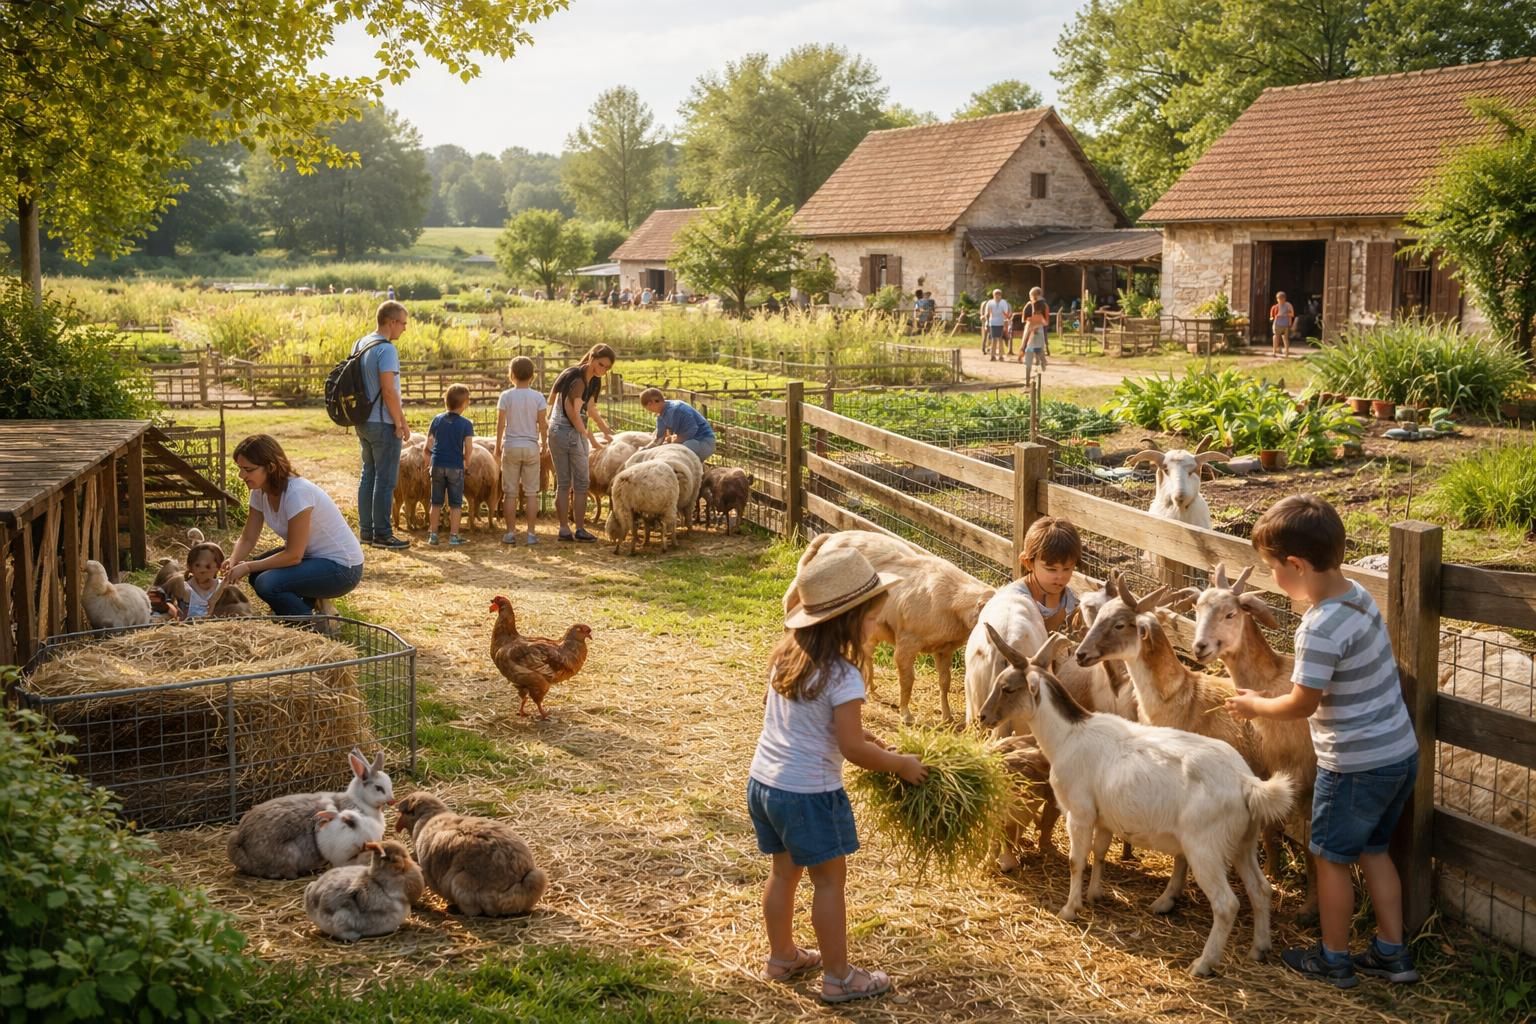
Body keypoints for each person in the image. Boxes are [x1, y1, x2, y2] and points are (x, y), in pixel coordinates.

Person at [1226, 495, 1421, 990]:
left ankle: (1334, 958)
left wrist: (1254, 706)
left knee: (1330, 859)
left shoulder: (1317, 628)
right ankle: (1391, 954)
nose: (1272, 579)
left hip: (1353, 764)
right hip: (1398, 754)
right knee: (1375, 850)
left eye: (1273, 569)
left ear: (1295, 565)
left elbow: (1300, 703)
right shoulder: (1357, 595)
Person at [748, 546, 928, 1004]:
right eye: (871, 618)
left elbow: (811, 724)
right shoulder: (844, 675)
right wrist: (901, 765)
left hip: (767, 784)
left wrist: (870, 741)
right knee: (829, 883)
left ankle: (782, 955)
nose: (876, 627)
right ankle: (839, 977)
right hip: (810, 794)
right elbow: (851, 748)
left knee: (783, 873)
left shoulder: (785, 656)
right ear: (847, 620)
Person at [224, 434, 365, 621]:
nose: (242, 476)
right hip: (312, 558)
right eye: (240, 469)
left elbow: (293, 555)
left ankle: (312, 627)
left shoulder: (297, 493)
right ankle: (306, 608)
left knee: (267, 582)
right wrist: (234, 561)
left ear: (271, 467)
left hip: (343, 568)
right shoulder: (260, 492)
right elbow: (248, 538)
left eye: (248, 469)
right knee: (257, 573)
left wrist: (248, 566)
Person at [352, 301, 411, 549]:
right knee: (385, 480)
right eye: (403, 323)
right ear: (391, 322)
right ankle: (383, 534)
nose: (404, 329)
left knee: (369, 475)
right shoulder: (386, 350)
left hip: (362, 420)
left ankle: (366, 531)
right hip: (382, 421)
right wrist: (399, 421)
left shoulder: (361, 343)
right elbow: (389, 390)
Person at [546, 343, 617, 542]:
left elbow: (588, 408)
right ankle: (578, 528)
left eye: (607, 368)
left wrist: (605, 431)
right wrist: (588, 436)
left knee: (563, 482)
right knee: (581, 482)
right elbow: (573, 411)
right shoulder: (578, 381)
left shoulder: (588, 379)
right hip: (569, 431)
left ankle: (564, 529)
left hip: (557, 430)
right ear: (592, 358)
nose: (603, 370)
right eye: (601, 364)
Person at [496, 356, 549, 546]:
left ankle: (510, 533)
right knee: (531, 492)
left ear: (512, 374)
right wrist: (544, 443)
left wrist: (497, 446)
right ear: (532, 375)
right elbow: (543, 424)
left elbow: (501, 423)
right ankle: (531, 534)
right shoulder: (538, 397)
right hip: (531, 446)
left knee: (510, 493)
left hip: (511, 445)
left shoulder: (506, 396)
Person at [426, 384, 475, 547]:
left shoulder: (437, 419)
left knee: (436, 501)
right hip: (455, 466)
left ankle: (433, 534)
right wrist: (466, 463)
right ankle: (454, 536)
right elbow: (469, 447)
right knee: (455, 503)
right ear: (464, 404)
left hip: (437, 464)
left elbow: (429, 442)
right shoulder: (466, 424)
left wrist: (431, 458)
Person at [1016, 516, 1080, 633]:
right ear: (1028, 562)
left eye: (1067, 569)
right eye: (1051, 569)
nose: (1060, 576)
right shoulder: (1014, 602)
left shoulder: (1071, 602)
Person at [639, 388, 716, 462]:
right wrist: (645, 450)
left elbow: (692, 430)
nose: (649, 410)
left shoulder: (677, 410)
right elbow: (659, 438)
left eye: (648, 407)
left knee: (677, 451)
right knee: (669, 450)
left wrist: (674, 442)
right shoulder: (661, 416)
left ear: (652, 402)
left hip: (703, 441)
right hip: (688, 441)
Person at [183, 540, 228, 619]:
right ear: (190, 566)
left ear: (218, 567)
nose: (202, 570)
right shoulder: (184, 588)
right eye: (197, 565)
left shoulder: (223, 587)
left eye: (208, 566)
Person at [1019, 287, 1051, 381]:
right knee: (1029, 348)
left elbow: (1046, 321)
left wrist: (1038, 323)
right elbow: (1025, 317)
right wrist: (1030, 321)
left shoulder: (1043, 305)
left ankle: (1040, 363)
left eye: (1032, 296)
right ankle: (1028, 379)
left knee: (1037, 348)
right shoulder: (1030, 304)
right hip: (1030, 328)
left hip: (1038, 329)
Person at [981, 289, 1011, 361]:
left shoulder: (1003, 303)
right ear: (993, 295)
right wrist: (986, 323)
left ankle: (1001, 356)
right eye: (996, 295)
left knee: (1000, 339)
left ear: (1001, 295)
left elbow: (1006, 313)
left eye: (999, 295)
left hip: (1001, 322)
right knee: (994, 339)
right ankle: (992, 355)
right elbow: (987, 314)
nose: (997, 296)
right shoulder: (990, 303)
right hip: (993, 322)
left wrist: (1006, 323)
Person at [1270, 291, 1296, 358]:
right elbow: (1271, 316)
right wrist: (1273, 317)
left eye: (1281, 299)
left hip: (1285, 324)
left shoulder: (1288, 305)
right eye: (1279, 299)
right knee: (1275, 337)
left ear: (1284, 298)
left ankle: (1286, 353)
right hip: (1277, 324)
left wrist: (1284, 315)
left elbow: (1292, 314)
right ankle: (1274, 352)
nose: (1280, 300)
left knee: (1285, 338)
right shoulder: (1275, 307)